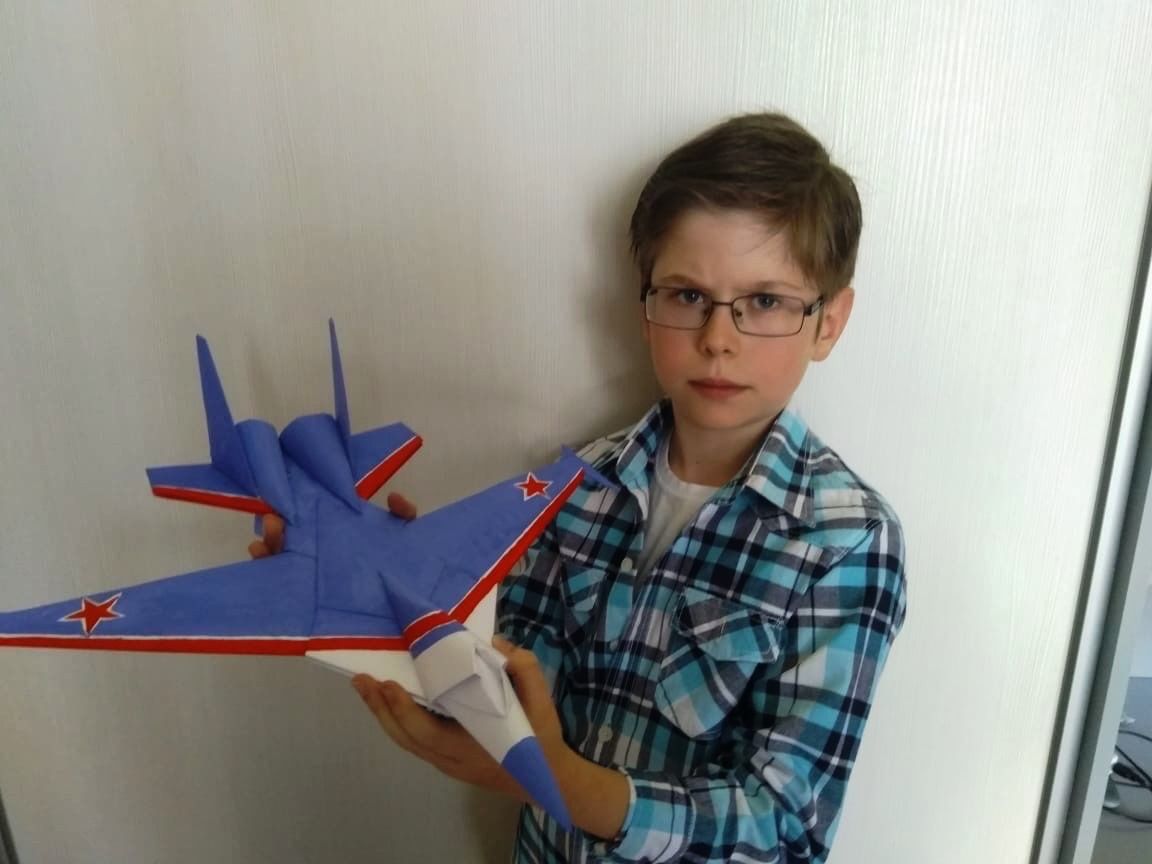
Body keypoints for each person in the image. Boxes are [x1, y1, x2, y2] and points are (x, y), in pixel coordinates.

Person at [253, 112, 907, 863]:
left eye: (764, 301)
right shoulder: (574, 484)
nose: (718, 338)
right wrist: (388, 587)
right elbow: (504, 679)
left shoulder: (846, 540)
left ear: (828, 322)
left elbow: (784, 827)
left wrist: (559, 782)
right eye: (687, 295)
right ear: (646, 308)